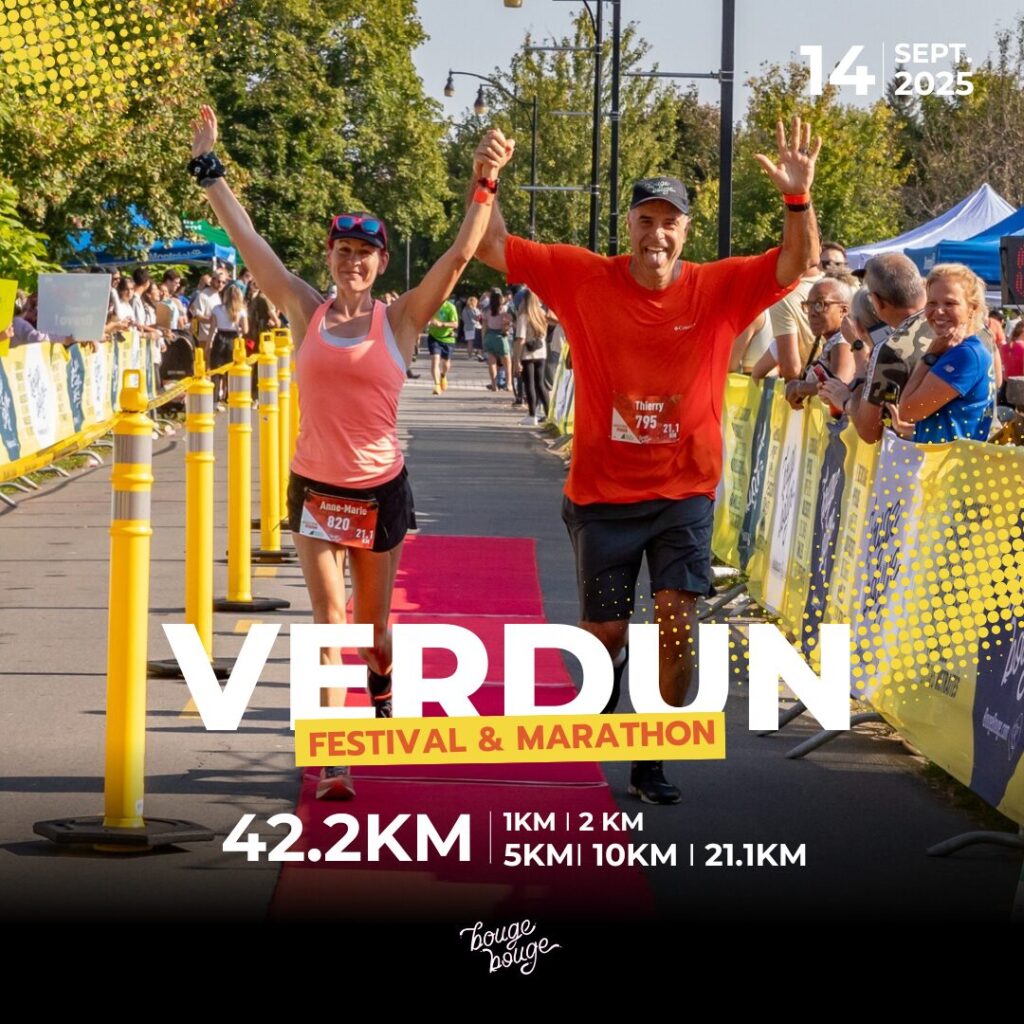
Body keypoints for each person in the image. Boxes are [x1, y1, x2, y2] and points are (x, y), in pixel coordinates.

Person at [473, 117, 821, 804]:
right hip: (602, 499)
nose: (657, 234)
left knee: (678, 631)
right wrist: (486, 177)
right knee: (603, 638)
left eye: (670, 222)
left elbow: (797, 265)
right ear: (627, 226)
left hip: (681, 496)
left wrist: (798, 201)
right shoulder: (582, 277)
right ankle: (618, 708)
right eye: (645, 220)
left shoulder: (718, 288)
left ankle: (654, 750)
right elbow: (491, 245)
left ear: (685, 232)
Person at [188, 104, 510, 800]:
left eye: (366, 254)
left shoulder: (401, 319)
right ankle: (336, 760)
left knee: (372, 632)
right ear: (329, 258)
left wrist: (483, 185)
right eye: (342, 252)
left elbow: (456, 261)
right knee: (327, 624)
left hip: (378, 490)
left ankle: (383, 676)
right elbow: (250, 247)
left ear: (381, 263)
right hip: (316, 490)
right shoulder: (304, 308)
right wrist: (210, 168)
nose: (353, 262)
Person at [887, 264, 995, 443]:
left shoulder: (965, 355)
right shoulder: (964, 349)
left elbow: (907, 411)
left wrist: (929, 357)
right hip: (948, 464)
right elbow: (957, 418)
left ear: (972, 308)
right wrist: (912, 430)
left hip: (950, 468)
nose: (938, 311)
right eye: (932, 303)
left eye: (950, 303)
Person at [846, 253, 933, 444]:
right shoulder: (971, 326)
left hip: (923, 462)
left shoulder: (892, 348)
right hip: (979, 454)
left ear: (876, 301)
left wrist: (848, 397)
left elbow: (869, 431)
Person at [783, 277, 855, 411]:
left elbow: (839, 384)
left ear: (843, 310)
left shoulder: (843, 342)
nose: (812, 313)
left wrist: (800, 388)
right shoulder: (833, 341)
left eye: (820, 304)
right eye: (809, 306)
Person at [514, 289, 550, 425]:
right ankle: (548, 413)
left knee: (529, 384)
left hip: (527, 353)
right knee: (541, 384)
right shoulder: (541, 313)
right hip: (541, 352)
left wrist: (517, 359)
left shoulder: (524, 315)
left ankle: (532, 414)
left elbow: (520, 338)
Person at [482, 287, 513, 391]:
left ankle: (494, 384)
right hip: (501, 336)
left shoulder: (486, 309)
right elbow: (508, 322)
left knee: (492, 362)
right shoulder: (504, 309)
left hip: (490, 335)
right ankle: (509, 384)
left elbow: (484, 326)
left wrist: (483, 339)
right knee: (507, 362)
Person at [427, 294, 457, 394]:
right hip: (434, 337)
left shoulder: (450, 307)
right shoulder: (431, 307)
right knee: (435, 360)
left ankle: (443, 375)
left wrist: (442, 324)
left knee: (446, 363)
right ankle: (436, 385)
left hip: (447, 338)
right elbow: (426, 317)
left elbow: (455, 324)